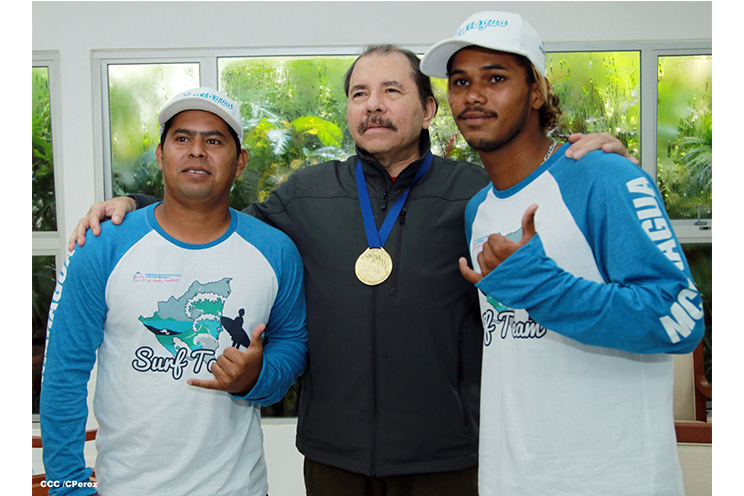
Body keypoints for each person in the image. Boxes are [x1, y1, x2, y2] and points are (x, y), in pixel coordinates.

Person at [67, 46, 631, 496]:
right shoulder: (305, 194)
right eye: (359, 94)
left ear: (429, 110)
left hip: (448, 457)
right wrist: (136, 207)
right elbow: (215, 223)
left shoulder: (476, 194)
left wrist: (593, 159)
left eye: (391, 91)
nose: (373, 106)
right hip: (333, 458)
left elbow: (547, 205)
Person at [420, 11, 705, 495]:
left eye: (496, 78)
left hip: (612, 482)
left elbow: (680, 318)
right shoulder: (478, 210)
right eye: (460, 81)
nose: (473, 95)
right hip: (511, 478)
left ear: (537, 91)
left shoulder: (603, 175)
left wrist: (543, 287)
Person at [40, 87, 308, 496]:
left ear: (240, 162)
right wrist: (66, 487)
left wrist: (257, 378)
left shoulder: (275, 252)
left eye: (214, 141)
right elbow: (63, 372)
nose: (197, 151)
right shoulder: (101, 246)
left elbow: (292, 344)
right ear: (160, 154)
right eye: (182, 138)